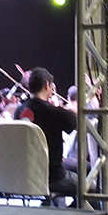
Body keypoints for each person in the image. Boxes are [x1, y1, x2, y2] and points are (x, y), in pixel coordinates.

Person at [14, 67, 79, 198]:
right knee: (91, 189)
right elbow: (79, 124)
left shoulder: (18, 112)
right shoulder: (55, 112)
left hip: (26, 176)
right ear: (46, 85)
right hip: (53, 177)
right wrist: (70, 109)